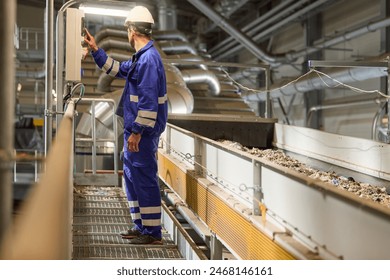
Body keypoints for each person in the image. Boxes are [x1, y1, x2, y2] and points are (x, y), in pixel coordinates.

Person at [84, 6, 168, 245]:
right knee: (132, 177)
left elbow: (149, 101)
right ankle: (141, 226)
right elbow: (119, 70)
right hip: (135, 131)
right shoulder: (142, 57)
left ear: (132, 31)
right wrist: (96, 51)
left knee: (143, 178)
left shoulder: (149, 59)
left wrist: (138, 133)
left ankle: (153, 233)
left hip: (142, 133)